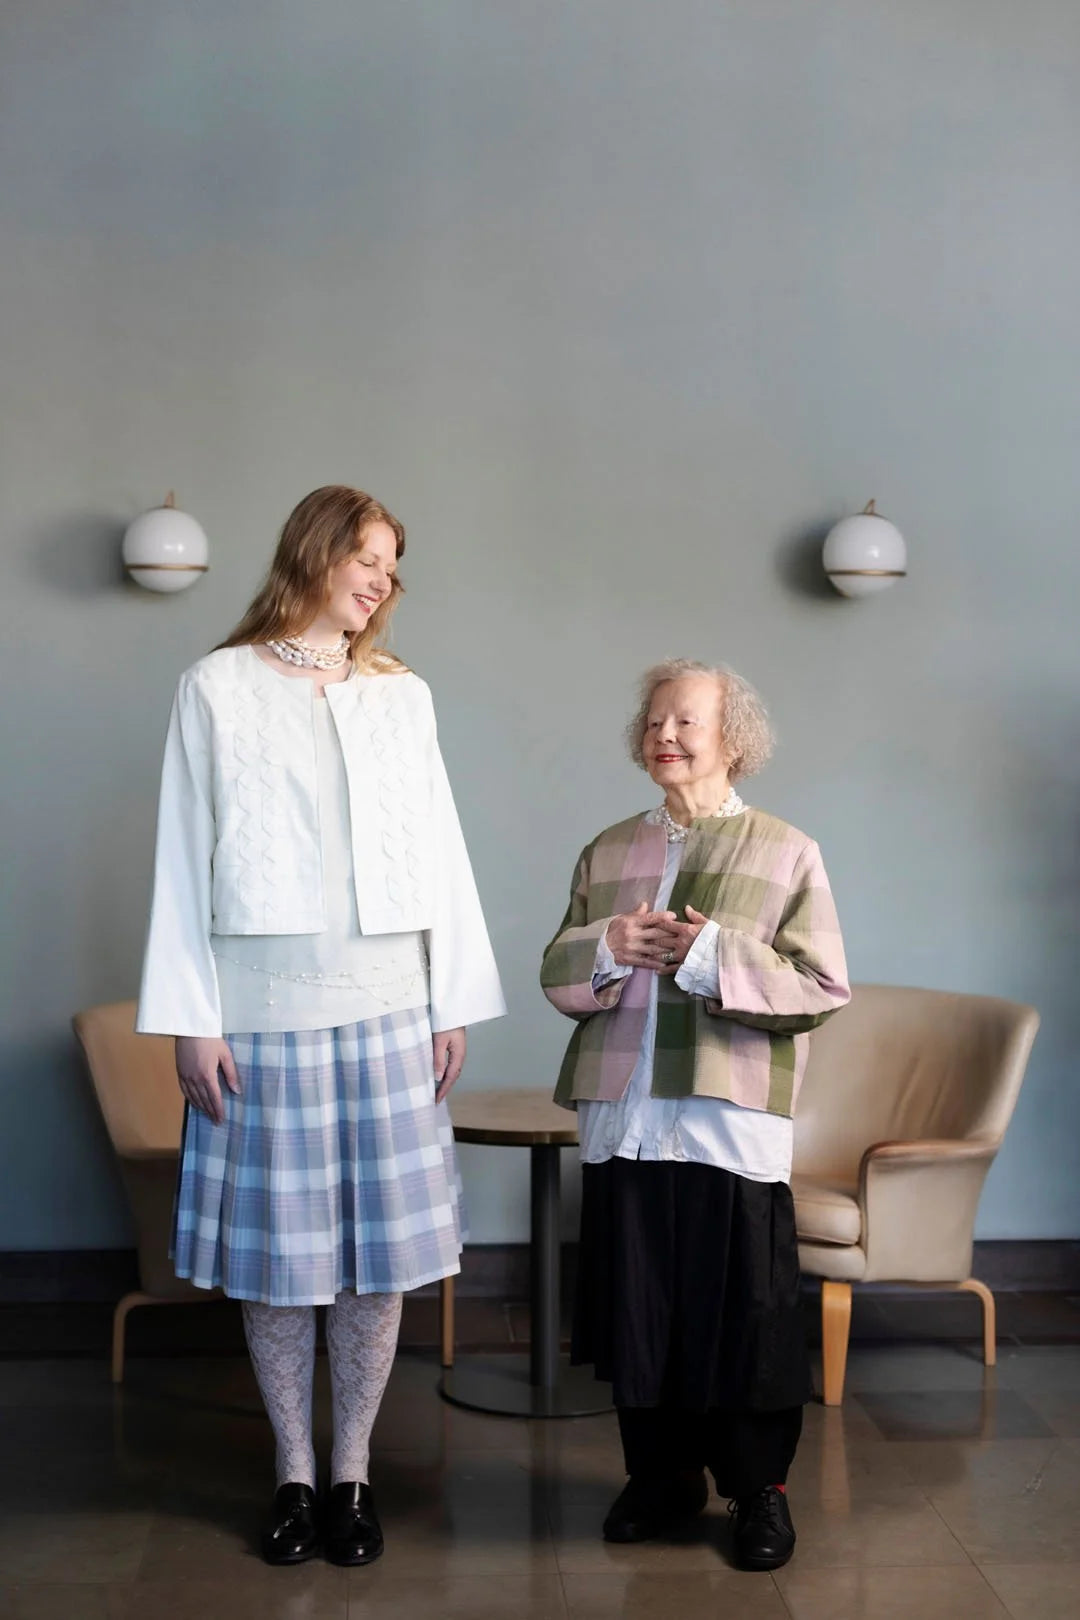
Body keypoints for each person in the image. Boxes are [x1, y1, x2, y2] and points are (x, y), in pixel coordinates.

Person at [136, 485, 505, 1567]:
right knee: (280, 1261)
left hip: (392, 1007)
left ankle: (355, 1476)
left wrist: (448, 999)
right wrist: (191, 1020)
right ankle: (294, 1474)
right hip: (262, 1012)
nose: (383, 578)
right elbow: (180, 855)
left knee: (379, 1260)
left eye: (394, 563)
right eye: (368, 556)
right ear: (314, 553)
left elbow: (440, 846)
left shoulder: (403, 695)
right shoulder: (215, 686)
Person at [540, 658, 849, 1571]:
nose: (664, 736)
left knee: (745, 1312)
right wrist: (606, 945)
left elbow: (822, 987)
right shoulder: (605, 851)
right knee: (642, 1304)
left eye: (685, 722)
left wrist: (712, 955)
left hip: (729, 1122)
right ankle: (660, 1477)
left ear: (733, 739)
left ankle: (762, 1493)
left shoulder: (787, 848)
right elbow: (557, 976)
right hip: (624, 1114)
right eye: (653, 722)